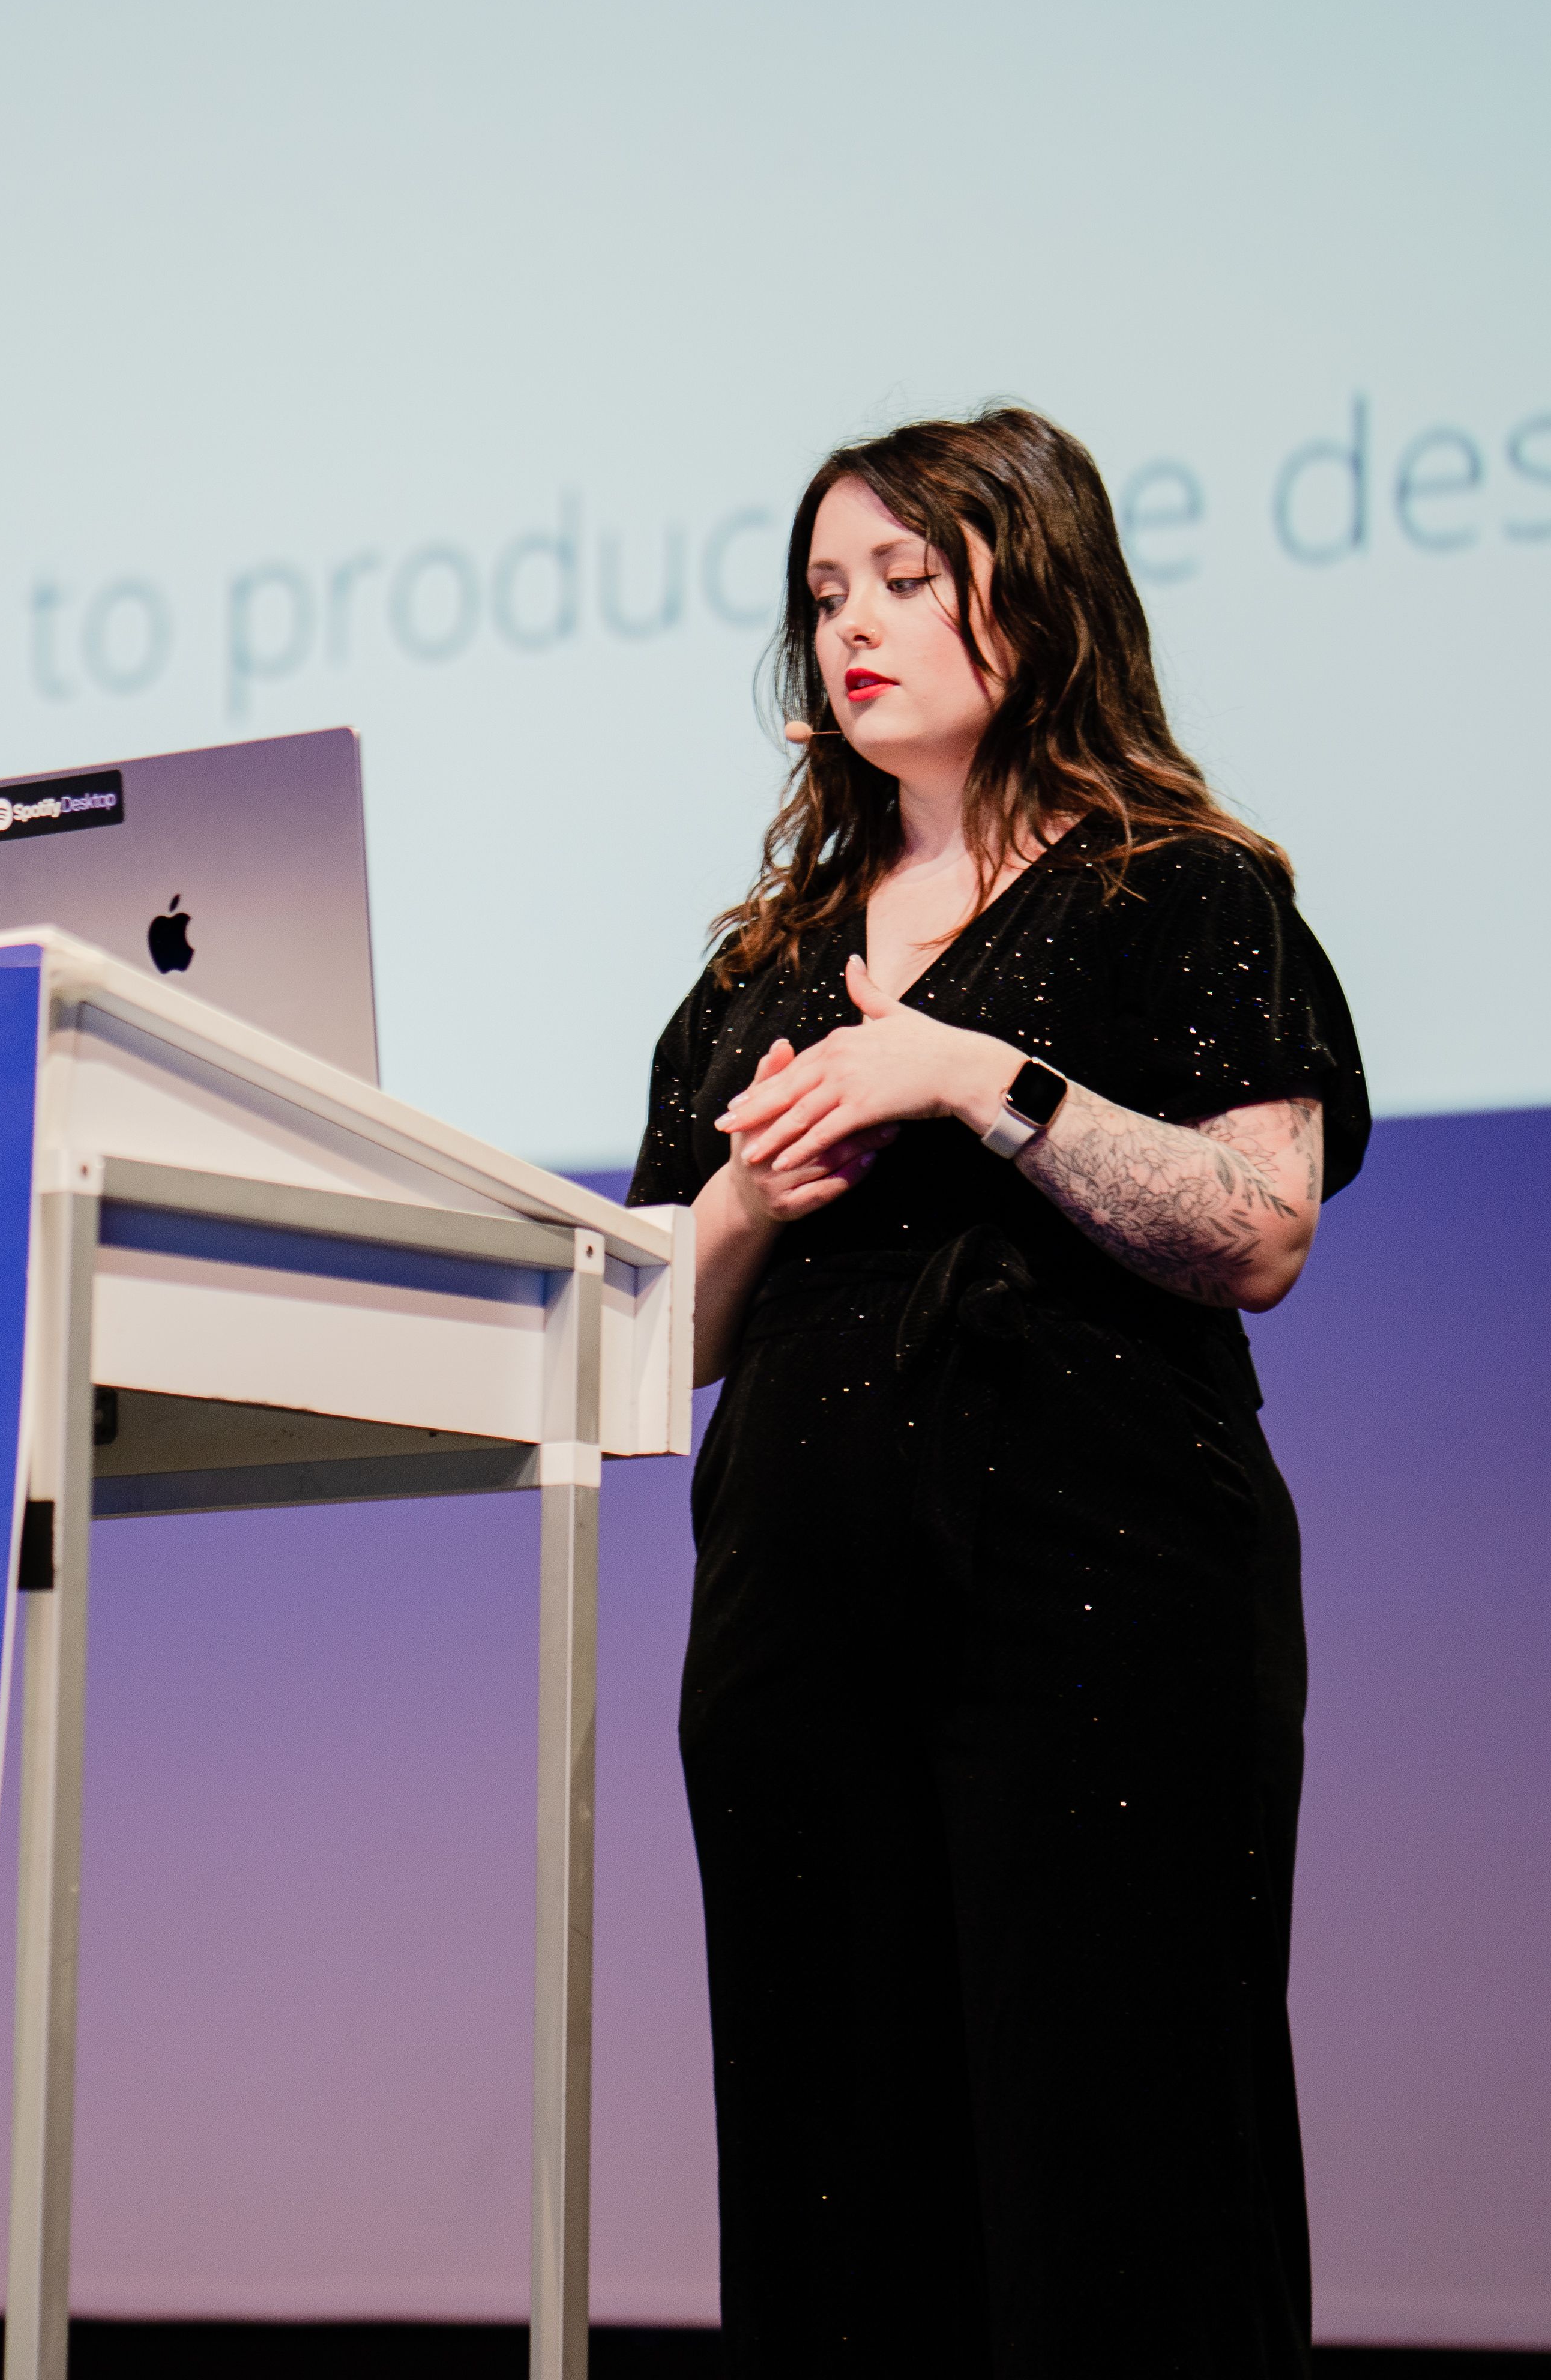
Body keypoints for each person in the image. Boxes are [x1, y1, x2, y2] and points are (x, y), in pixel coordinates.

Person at [625, 405, 1366, 2375]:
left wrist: (975, 1078)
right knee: (832, 2178)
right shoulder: (765, 964)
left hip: (1099, 1610)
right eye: (822, 596)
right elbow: (659, 1337)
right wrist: (753, 1191)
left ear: (1032, 599)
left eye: (903, 580)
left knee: (1119, 2176)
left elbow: (1258, 1227)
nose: (850, 629)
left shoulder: (1181, 895)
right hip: (796, 1627)